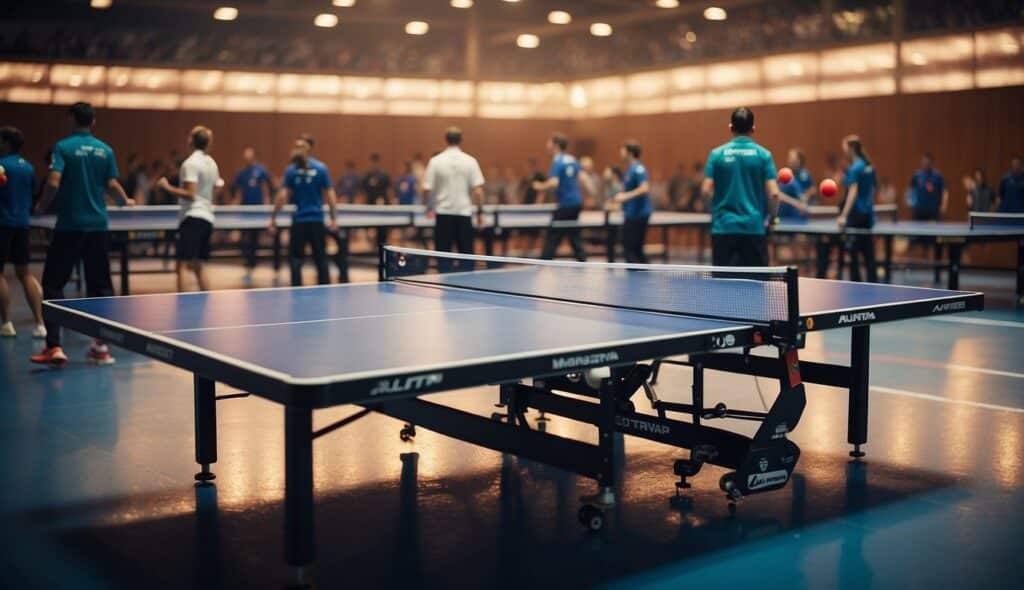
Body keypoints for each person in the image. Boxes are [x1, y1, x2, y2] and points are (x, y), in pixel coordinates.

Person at [30, 102, 135, 367]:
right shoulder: (105, 150)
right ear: (94, 121)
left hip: (69, 227)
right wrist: (125, 202)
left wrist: (40, 208)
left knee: (53, 284)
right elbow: (111, 184)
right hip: (98, 227)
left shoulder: (63, 147)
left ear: (71, 120)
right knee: (100, 287)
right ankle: (101, 346)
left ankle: (54, 346)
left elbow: (53, 182)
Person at [701, 107, 780, 267]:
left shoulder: (716, 155)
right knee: (757, 287)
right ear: (753, 128)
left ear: (731, 128)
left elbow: (705, 190)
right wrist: (772, 218)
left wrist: (716, 214)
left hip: (723, 228)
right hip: (753, 228)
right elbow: (774, 194)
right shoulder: (764, 155)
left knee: (723, 286)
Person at [269, 134, 337, 287]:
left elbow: (282, 197)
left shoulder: (296, 169)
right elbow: (331, 196)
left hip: (308, 221)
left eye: (299, 146)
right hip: (307, 221)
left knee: (303, 260)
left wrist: (273, 217)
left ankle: (313, 290)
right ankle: (314, 291)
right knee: (312, 259)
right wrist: (334, 219)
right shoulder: (308, 169)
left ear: (308, 149)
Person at [156, 126, 219, 292]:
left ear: (190, 141)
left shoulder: (190, 163)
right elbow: (218, 186)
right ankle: (206, 299)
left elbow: (190, 194)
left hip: (192, 217)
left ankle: (182, 304)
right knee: (199, 264)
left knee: (182, 264)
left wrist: (167, 187)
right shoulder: (212, 163)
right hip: (207, 217)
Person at [0, 126, 45, 338]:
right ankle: (40, 324)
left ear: (6, 143)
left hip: (2, 224)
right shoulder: (28, 168)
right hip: (23, 224)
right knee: (25, 273)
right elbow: (34, 192)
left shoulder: (1, 166)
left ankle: (6, 324)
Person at [422, 127, 485, 270]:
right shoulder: (471, 161)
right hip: (464, 215)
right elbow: (479, 191)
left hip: (443, 216)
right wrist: (480, 212)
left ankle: (445, 289)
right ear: (461, 140)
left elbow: (426, 189)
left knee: (444, 261)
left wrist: (428, 207)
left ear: (445, 139)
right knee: (467, 262)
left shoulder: (435, 161)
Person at [534, 133, 586, 261]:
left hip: (566, 204)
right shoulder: (573, 159)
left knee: (553, 236)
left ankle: (543, 263)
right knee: (574, 235)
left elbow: (554, 182)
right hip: (577, 203)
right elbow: (582, 178)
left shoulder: (557, 161)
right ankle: (583, 261)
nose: (547, 145)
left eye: (549, 142)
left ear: (556, 145)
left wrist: (540, 186)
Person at [837, 135, 878, 283]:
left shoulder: (855, 168)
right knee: (869, 254)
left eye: (845, 149)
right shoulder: (869, 165)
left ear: (852, 148)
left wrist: (843, 215)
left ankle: (857, 284)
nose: (844, 152)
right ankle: (873, 284)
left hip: (856, 216)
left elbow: (853, 192)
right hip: (868, 215)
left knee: (853, 254)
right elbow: (873, 190)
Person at [606, 141, 653, 264]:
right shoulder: (630, 170)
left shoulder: (638, 169)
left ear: (630, 153)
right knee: (632, 249)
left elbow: (644, 188)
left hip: (638, 214)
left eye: (623, 150)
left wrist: (625, 196)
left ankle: (639, 277)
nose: (620, 153)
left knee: (632, 249)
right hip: (631, 214)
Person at [231, 147, 274, 271]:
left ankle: (253, 260)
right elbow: (238, 192)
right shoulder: (241, 172)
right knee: (244, 235)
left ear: (254, 156)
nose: (247, 158)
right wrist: (235, 206)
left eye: (249, 156)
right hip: (245, 208)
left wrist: (267, 205)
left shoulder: (261, 170)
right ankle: (247, 258)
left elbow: (266, 188)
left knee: (255, 235)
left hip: (258, 208)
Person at [909, 153, 948, 221]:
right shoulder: (917, 175)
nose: (925, 163)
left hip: (933, 209)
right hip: (919, 209)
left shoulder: (938, 176)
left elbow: (944, 191)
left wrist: (944, 206)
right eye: (924, 161)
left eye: (927, 162)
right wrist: (910, 203)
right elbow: (911, 190)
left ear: (931, 163)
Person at [777, 149, 813, 220]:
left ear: (799, 160)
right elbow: (777, 194)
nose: (790, 160)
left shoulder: (804, 174)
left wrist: (805, 198)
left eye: (793, 158)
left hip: (796, 215)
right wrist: (796, 203)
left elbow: (811, 189)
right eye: (789, 158)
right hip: (783, 215)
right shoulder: (784, 175)